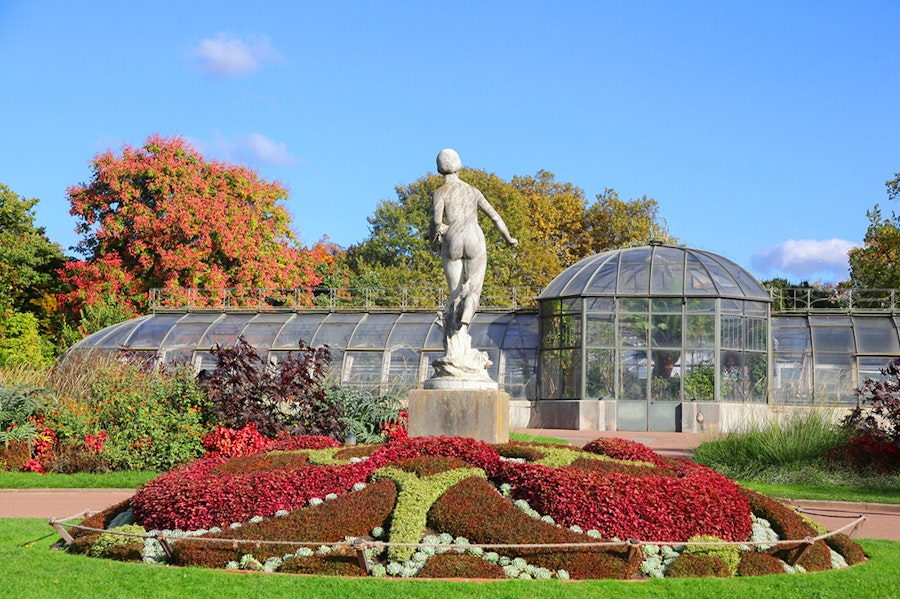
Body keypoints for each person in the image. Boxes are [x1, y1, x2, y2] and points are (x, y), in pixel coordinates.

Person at [430, 149, 518, 339]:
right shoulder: (473, 191)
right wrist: (508, 238)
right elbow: (495, 217)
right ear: (458, 164)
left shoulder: (439, 193)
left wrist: (433, 237)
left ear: (439, 168)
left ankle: (454, 333)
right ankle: (467, 317)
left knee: (454, 293)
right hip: (473, 236)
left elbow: (437, 222)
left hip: (452, 237)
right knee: (474, 288)